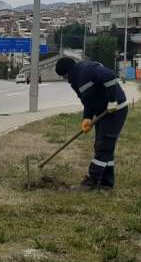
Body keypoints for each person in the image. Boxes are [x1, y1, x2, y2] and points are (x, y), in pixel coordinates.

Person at [54, 56, 128, 191]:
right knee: (104, 146)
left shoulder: (87, 69)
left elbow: (109, 76)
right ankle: (106, 183)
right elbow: (87, 100)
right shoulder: (75, 81)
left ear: (68, 72)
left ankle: (92, 181)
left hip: (115, 110)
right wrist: (87, 117)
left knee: (103, 145)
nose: (66, 79)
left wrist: (112, 100)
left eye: (64, 76)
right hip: (102, 113)